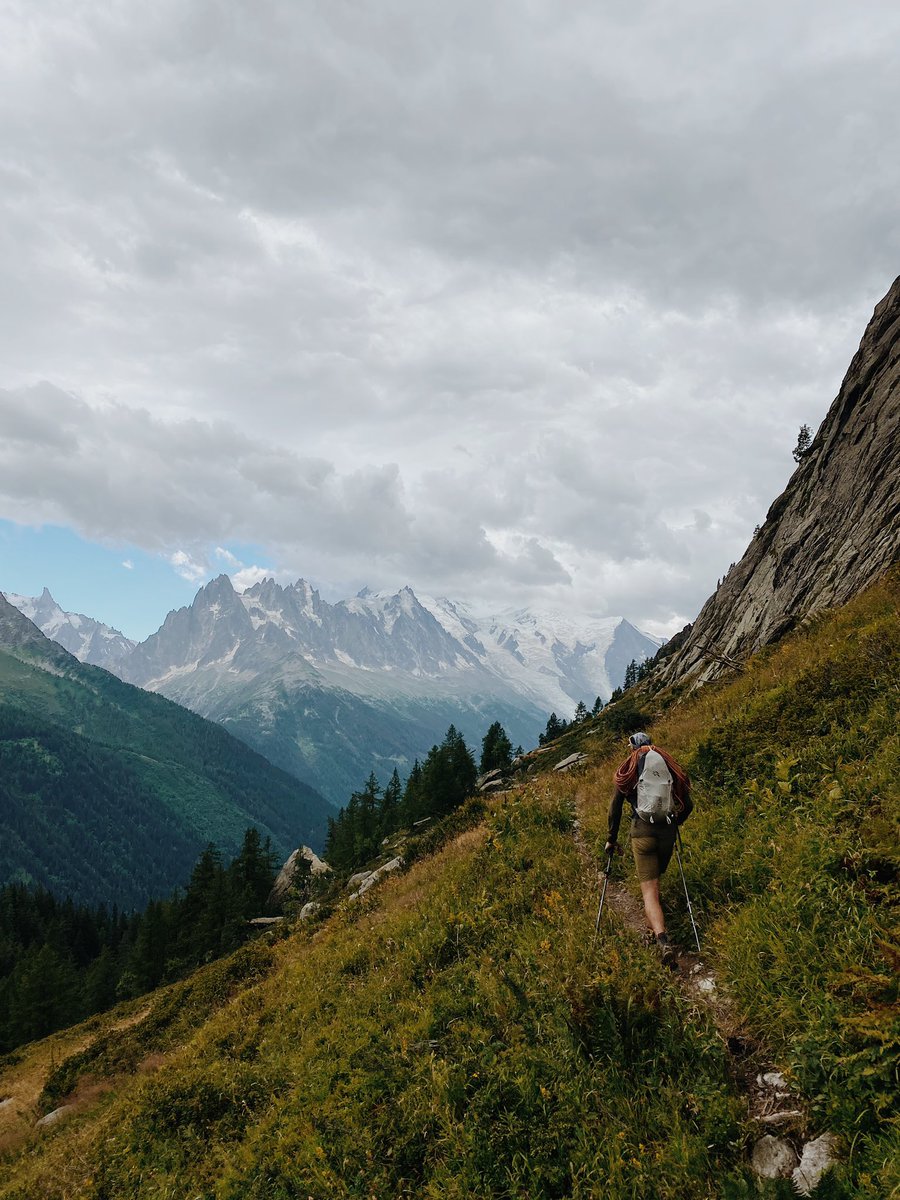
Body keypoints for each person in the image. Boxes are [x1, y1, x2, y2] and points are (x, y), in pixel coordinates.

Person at [604, 731, 692, 967]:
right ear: (651, 744)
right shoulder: (667, 764)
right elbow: (688, 802)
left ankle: (662, 940)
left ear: (632, 747)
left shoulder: (629, 768)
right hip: (667, 830)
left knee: (649, 891)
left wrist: (611, 839)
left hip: (642, 832)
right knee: (656, 879)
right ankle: (654, 924)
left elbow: (615, 808)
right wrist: (675, 823)